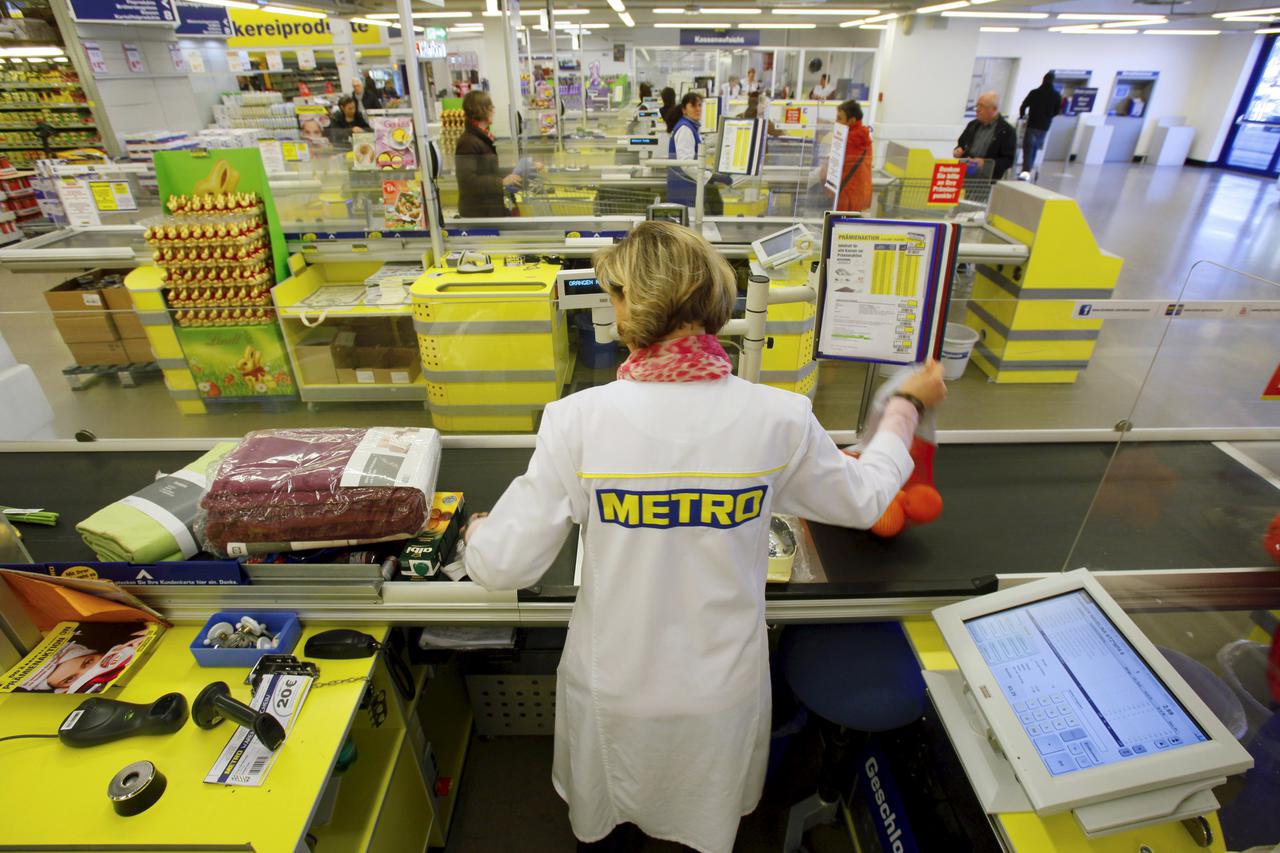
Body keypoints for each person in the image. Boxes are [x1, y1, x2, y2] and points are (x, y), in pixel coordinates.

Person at [460, 221, 947, 853]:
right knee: (702, 829)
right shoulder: (781, 418)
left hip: (617, 692)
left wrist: (479, 535)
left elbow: (504, 567)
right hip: (720, 697)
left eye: (614, 293)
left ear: (634, 303)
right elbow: (867, 499)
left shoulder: (577, 421)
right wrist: (903, 406)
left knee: (607, 829)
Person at [455, 89, 521, 218]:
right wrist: (501, 182)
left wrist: (518, 170)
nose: (493, 111)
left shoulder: (482, 137)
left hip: (489, 207)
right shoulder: (468, 142)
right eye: (491, 107)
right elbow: (467, 181)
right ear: (482, 110)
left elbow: (489, 171)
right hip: (478, 212)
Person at [667, 92, 730, 212]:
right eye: (693, 106)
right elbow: (686, 164)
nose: (698, 109)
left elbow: (697, 150)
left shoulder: (691, 126)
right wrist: (711, 176)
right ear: (684, 109)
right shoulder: (685, 129)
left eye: (700, 105)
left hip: (689, 186)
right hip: (684, 189)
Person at [953, 91, 1017, 180]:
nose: (977, 109)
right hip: (965, 172)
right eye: (977, 105)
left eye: (982, 106)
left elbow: (1008, 160)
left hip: (987, 178)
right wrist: (958, 150)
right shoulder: (972, 125)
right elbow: (962, 144)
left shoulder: (1007, 131)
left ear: (994, 109)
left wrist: (985, 163)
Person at [1018, 72, 1059, 179]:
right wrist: (1048, 117)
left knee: (1028, 148)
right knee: (1035, 148)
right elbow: (1057, 111)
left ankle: (1025, 171)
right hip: (1044, 126)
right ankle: (1028, 170)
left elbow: (1023, 105)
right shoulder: (1056, 95)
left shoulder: (1035, 93)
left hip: (1032, 124)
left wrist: (1022, 116)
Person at [834, 99, 872, 212]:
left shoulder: (850, 139)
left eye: (839, 119)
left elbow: (840, 166)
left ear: (852, 120)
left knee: (840, 226)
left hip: (848, 194)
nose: (836, 122)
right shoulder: (863, 134)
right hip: (860, 192)